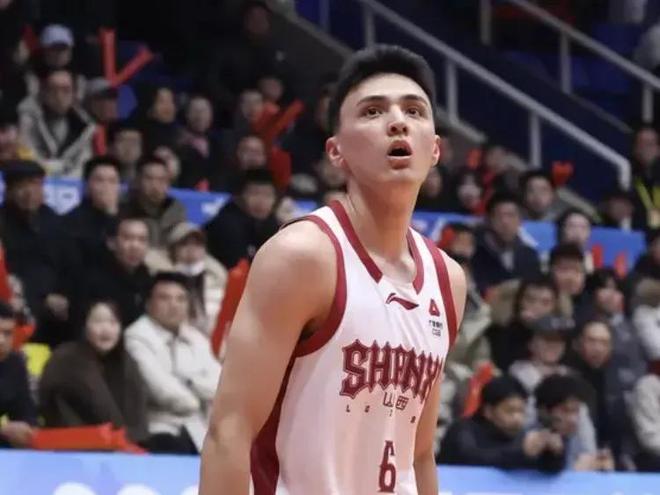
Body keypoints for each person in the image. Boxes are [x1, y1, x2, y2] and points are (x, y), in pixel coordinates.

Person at [200, 45, 466, 495]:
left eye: (414, 111)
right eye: (373, 111)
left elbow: (419, 452)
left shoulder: (448, 279)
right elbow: (230, 430)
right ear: (336, 152)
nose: (397, 122)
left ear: (435, 149)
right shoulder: (303, 256)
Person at [125, 272, 221, 454]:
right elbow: (163, 391)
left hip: (199, 428)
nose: (174, 305)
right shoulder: (136, 337)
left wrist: (189, 382)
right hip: (158, 428)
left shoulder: (196, 337)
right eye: (164, 298)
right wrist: (197, 399)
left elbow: (220, 386)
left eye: (181, 299)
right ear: (148, 303)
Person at [39, 300, 149, 444]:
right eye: (98, 322)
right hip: (73, 443)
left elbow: (138, 415)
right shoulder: (65, 358)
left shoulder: (126, 361)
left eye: (113, 322)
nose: (106, 329)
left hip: (121, 445)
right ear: (84, 325)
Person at [0, 159, 80, 346]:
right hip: (16, 305)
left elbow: (72, 266)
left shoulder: (55, 222)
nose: (29, 192)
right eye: (22, 186)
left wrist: (64, 295)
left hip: (57, 308)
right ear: (9, 191)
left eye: (35, 185)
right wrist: (41, 298)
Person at [438, 376, 563, 471]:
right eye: (510, 411)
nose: (517, 418)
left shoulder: (521, 435)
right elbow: (472, 459)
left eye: (521, 411)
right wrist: (520, 453)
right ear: (488, 411)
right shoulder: (463, 430)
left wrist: (552, 454)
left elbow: (543, 469)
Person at [567, 319, 635, 465]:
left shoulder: (622, 378)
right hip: (576, 457)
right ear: (579, 343)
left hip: (614, 455)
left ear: (611, 347)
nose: (597, 348)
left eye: (604, 343)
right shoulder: (566, 377)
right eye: (591, 341)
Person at [146, 222, 228, 335]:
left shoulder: (216, 278)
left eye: (197, 244)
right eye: (184, 244)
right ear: (173, 250)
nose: (192, 248)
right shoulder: (163, 280)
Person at [18, 67, 95, 177]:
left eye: (65, 90)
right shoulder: (28, 120)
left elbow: (83, 164)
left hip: (70, 183)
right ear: (43, 93)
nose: (59, 96)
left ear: (74, 95)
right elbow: (27, 154)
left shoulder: (84, 126)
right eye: (53, 90)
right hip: (34, 180)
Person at [80, 215, 152, 327]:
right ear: (111, 243)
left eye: (142, 240)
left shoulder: (148, 278)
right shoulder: (93, 281)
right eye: (127, 238)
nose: (135, 246)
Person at [533, 374, 612, 471]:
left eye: (576, 411)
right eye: (565, 411)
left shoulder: (581, 419)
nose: (573, 419)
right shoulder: (529, 424)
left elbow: (587, 456)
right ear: (545, 412)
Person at [204, 168, 280, 269]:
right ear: (239, 197)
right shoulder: (226, 224)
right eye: (255, 193)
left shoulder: (273, 223)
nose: (261, 201)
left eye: (268, 195)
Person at [471, 192, 541, 294]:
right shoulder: (475, 251)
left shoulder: (529, 255)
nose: (505, 222)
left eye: (511, 215)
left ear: (520, 221)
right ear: (488, 220)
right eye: (499, 216)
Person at [121, 155, 187, 248]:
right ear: (137, 181)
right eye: (149, 179)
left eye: (161, 180)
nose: (155, 186)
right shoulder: (124, 208)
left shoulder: (176, 209)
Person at [64, 155, 121, 263]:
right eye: (99, 180)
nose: (106, 187)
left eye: (112, 181)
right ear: (87, 185)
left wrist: (112, 215)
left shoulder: (126, 218)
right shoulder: (72, 222)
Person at [0, 301, 37, 448]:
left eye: (7, 333)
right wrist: (3, 430)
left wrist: (25, 429)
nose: (1, 340)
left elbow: (26, 413)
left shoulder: (15, 364)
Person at [509, 315, 573, 393]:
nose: (553, 345)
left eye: (560, 340)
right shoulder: (518, 375)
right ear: (531, 343)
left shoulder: (570, 375)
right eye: (548, 339)